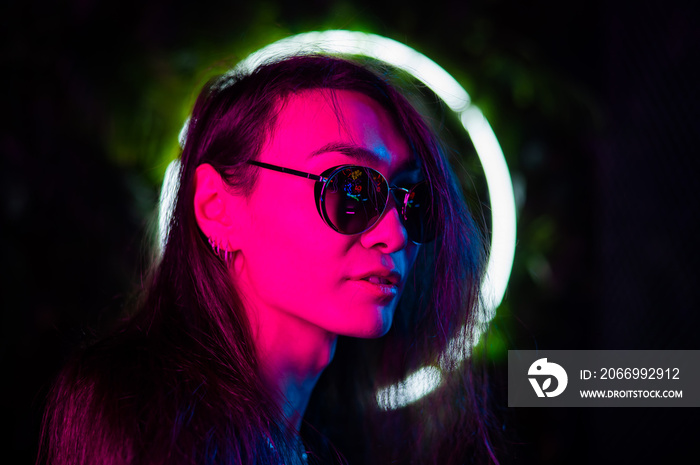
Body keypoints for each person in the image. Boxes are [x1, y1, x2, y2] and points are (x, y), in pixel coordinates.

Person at [38, 54, 501, 464]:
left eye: (410, 198)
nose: (395, 235)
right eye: (350, 189)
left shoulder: (330, 437)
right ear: (217, 209)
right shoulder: (135, 409)